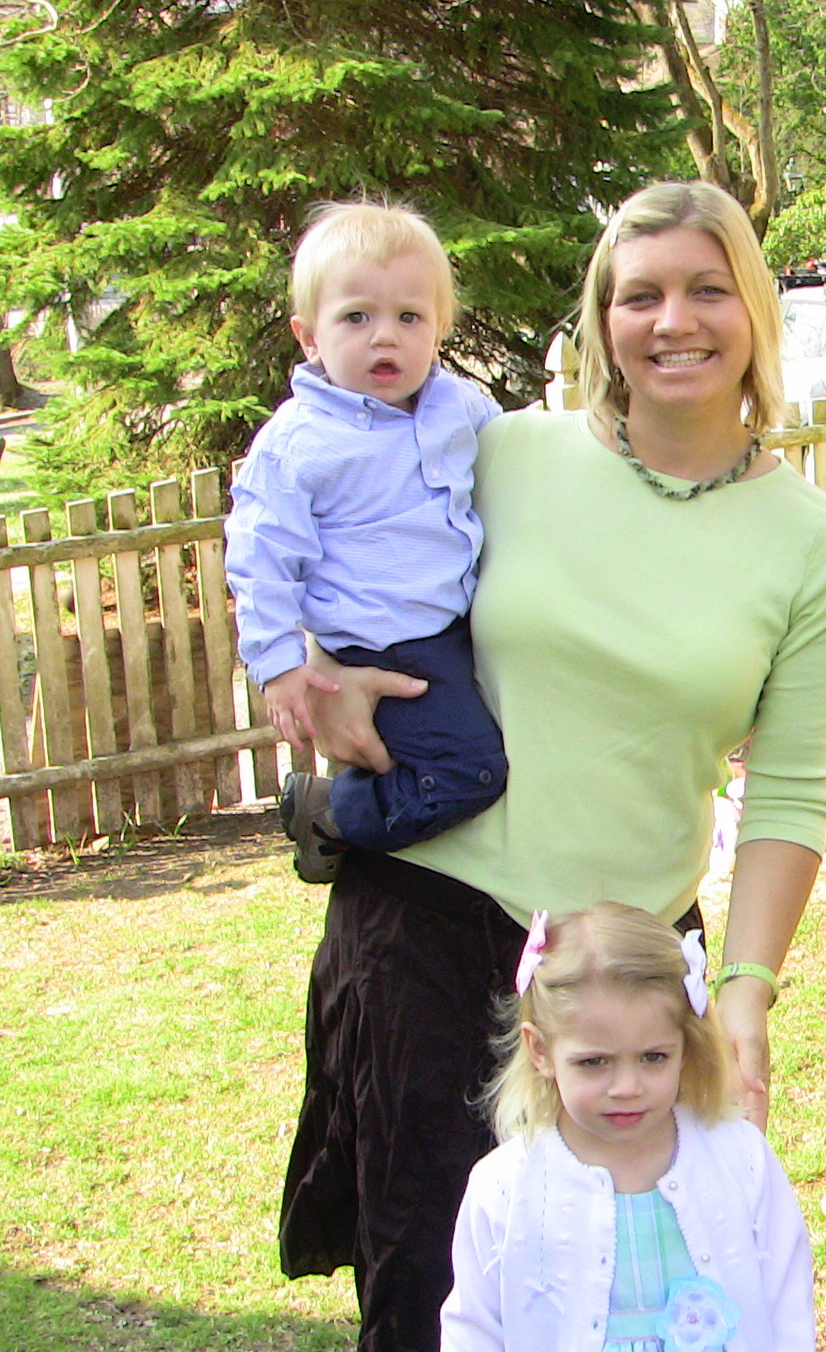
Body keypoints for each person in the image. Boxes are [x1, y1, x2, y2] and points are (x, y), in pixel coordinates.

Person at [278, 181, 826, 1352]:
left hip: (626, 978)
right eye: (637, 295)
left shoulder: (810, 543)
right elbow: (315, 526)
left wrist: (745, 992)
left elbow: (786, 795)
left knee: (633, 1318)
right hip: (427, 935)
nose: (672, 321)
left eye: (706, 290)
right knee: (468, 1337)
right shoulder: (503, 453)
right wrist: (312, 675)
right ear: (601, 319)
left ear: (754, 311)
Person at [442, 904, 826, 1352]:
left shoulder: (736, 1158)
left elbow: (784, 1295)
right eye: (594, 1062)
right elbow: (475, 1328)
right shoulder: (507, 1188)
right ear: (541, 1051)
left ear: (687, 1045)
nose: (627, 1086)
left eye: (654, 1057)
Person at [225, 200, 506, 882]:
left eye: (409, 317)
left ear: (439, 329)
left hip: (456, 627)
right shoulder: (300, 442)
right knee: (470, 772)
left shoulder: (461, 407)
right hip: (380, 644)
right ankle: (333, 813)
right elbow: (261, 558)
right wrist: (279, 666)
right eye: (356, 317)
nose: (386, 337)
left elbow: (519, 461)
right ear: (309, 336)